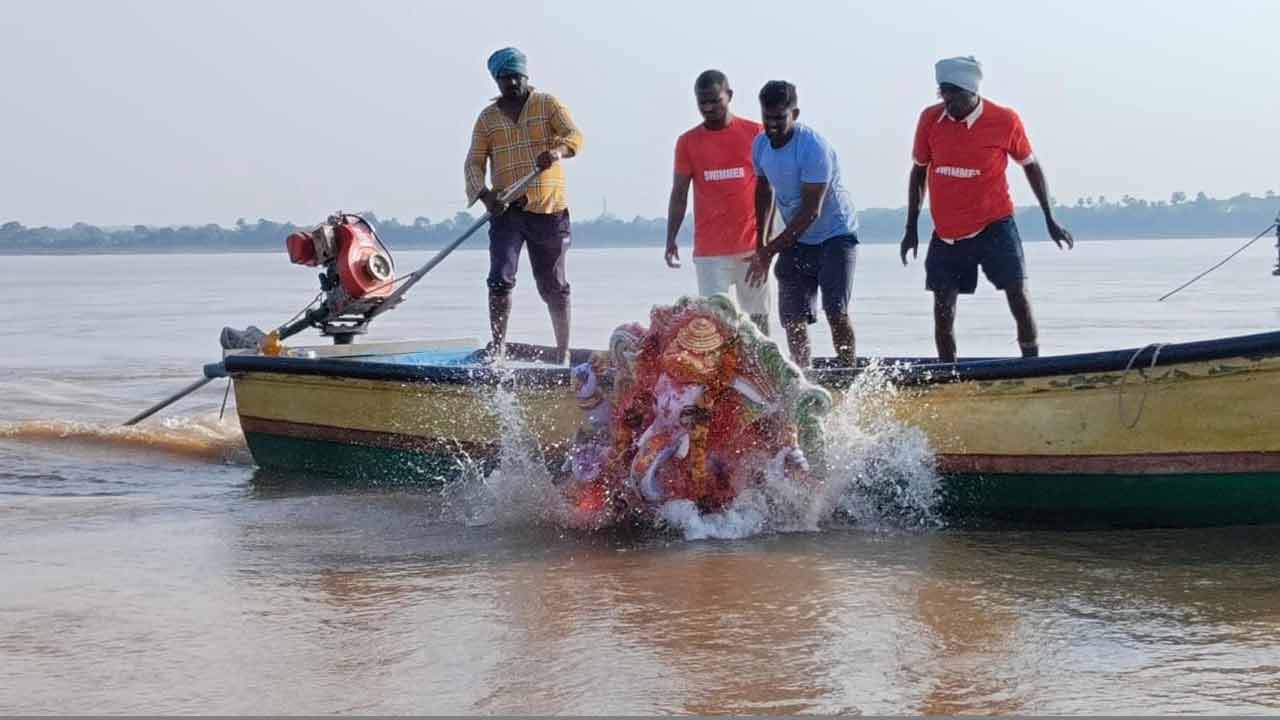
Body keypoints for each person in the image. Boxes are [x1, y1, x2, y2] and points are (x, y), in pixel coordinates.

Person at [900, 56, 1073, 362]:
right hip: (948, 231)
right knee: (943, 309)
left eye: (954, 93)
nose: (947, 100)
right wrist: (910, 228)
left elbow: (1030, 166)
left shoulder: (1004, 120)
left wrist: (1050, 218)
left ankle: (1032, 365)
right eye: (943, 92)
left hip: (995, 223)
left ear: (972, 91)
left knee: (1018, 295)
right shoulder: (930, 119)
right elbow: (919, 172)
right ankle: (948, 374)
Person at [464, 47, 584, 364]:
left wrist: (557, 152)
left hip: (548, 209)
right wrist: (486, 196)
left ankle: (562, 352)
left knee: (553, 284)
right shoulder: (488, 119)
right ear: (497, 80)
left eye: (517, 76)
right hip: (507, 211)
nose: (512, 83)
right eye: (506, 78)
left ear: (526, 76)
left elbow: (574, 136)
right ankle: (498, 347)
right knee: (500, 278)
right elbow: (474, 164)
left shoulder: (547, 105)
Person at [745, 81, 859, 368]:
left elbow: (811, 211)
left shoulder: (813, 148)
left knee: (835, 311)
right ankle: (804, 374)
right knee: (792, 316)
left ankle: (848, 369)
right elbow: (764, 190)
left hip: (835, 234)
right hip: (798, 239)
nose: (772, 125)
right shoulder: (760, 145)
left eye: (779, 118)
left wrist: (769, 251)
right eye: (767, 117)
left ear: (794, 113)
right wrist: (761, 242)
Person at [665, 70, 772, 334]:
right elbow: (679, 193)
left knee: (757, 319)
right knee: (716, 323)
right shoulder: (688, 142)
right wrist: (671, 238)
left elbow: (769, 189)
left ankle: (765, 374)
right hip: (710, 251)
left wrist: (766, 244)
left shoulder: (756, 134)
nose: (709, 108)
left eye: (715, 100)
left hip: (751, 247)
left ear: (730, 96)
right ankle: (723, 375)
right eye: (703, 102)